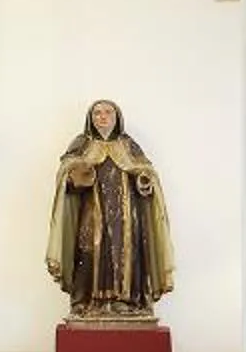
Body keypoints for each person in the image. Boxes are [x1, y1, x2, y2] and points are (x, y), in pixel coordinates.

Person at [45, 98, 175, 320]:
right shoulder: (81, 144)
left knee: (127, 253)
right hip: (92, 212)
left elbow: (146, 172)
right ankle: (87, 302)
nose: (103, 117)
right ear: (90, 118)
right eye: (97, 113)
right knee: (89, 250)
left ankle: (128, 302)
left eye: (108, 112)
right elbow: (65, 176)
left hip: (125, 215)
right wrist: (77, 175)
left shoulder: (128, 145)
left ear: (117, 118)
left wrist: (144, 180)